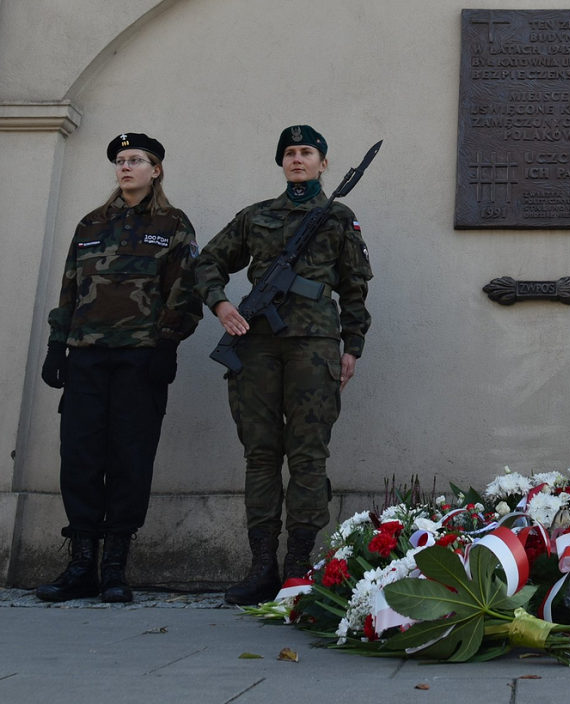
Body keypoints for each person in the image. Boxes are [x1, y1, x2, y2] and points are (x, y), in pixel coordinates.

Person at [195, 125, 373, 605]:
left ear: (322, 163)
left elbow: (354, 286)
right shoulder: (256, 216)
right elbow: (207, 262)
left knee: (309, 455)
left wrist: (351, 345)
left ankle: (297, 564)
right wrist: (221, 305)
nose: (298, 160)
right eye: (290, 153)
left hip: (314, 345)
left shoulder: (338, 216)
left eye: (307, 152)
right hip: (255, 345)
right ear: (282, 162)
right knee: (260, 454)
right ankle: (260, 567)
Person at [37, 132, 201, 603]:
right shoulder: (91, 223)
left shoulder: (172, 223)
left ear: (156, 170)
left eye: (136, 160)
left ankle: (114, 568)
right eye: (121, 160)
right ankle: (81, 565)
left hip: (140, 358)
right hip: (86, 355)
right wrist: (56, 345)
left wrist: (167, 344)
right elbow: (69, 287)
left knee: (129, 458)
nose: (126, 167)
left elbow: (184, 290)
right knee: (81, 457)